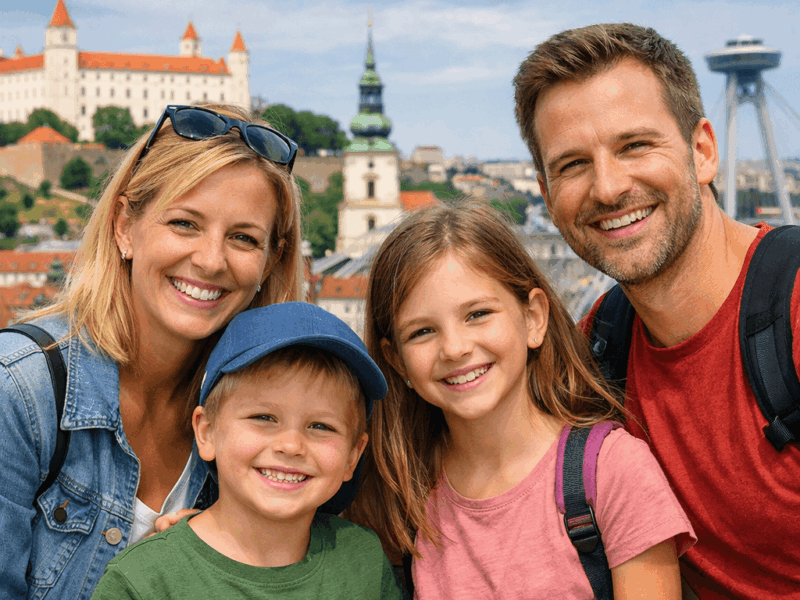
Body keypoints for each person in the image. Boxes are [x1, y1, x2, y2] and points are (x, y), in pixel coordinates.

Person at [513, 24, 800, 599]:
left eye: (635, 146)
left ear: (702, 152)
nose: (609, 188)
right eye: (572, 165)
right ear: (546, 197)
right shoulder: (598, 349)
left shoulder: (793, 310)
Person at [0, 104, 304, 599]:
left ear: (271, 261)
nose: (210, 260)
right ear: (125, 226)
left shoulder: (267, 423)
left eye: (244, 238)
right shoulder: (18, 392)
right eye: (185, 224)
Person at [346, 200, 695, 599]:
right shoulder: (400, 492)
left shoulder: (613, 472)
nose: (455, 348)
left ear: (533, 318)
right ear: (396, 360)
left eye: (477, 314)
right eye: (422, 332)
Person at [90, 302, 409, 599]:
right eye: (264, 418)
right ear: (207, 432)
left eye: (321, 426)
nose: (291, 446)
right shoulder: (143, 581)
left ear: (353, 455)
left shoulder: (364, 561)